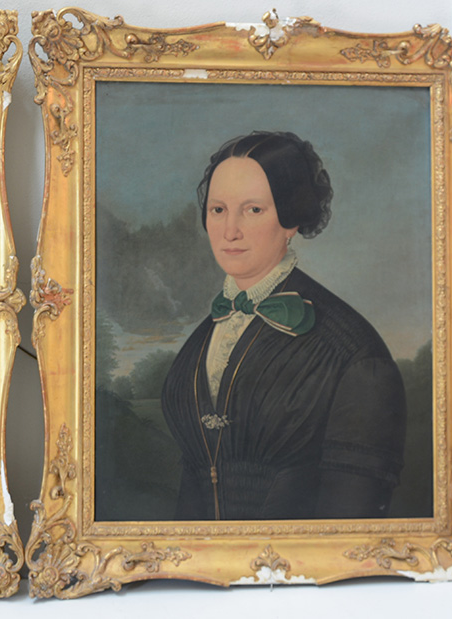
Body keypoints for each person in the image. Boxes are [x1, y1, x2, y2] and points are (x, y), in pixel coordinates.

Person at [161, 131, 406, 520]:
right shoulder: (203, 339)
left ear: (291, 220)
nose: (230, 231)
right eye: (218, 209)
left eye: (253, 210)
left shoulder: (353, 353)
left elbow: (352, 522)